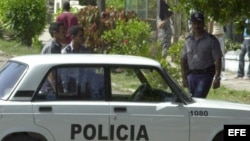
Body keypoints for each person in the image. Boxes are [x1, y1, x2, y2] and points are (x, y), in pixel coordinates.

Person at [180, 12, 223, 98]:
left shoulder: (211, 40)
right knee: (191, 100)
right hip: (191, 75)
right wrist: (184, 77)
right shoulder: (188, 41)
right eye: (194, 23)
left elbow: (218, 59)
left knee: (198, 98)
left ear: (203, 24)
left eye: (199, 23)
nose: (197, 26)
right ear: (191, 24)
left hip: (205, 75)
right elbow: (183, 59)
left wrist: (217, 78)